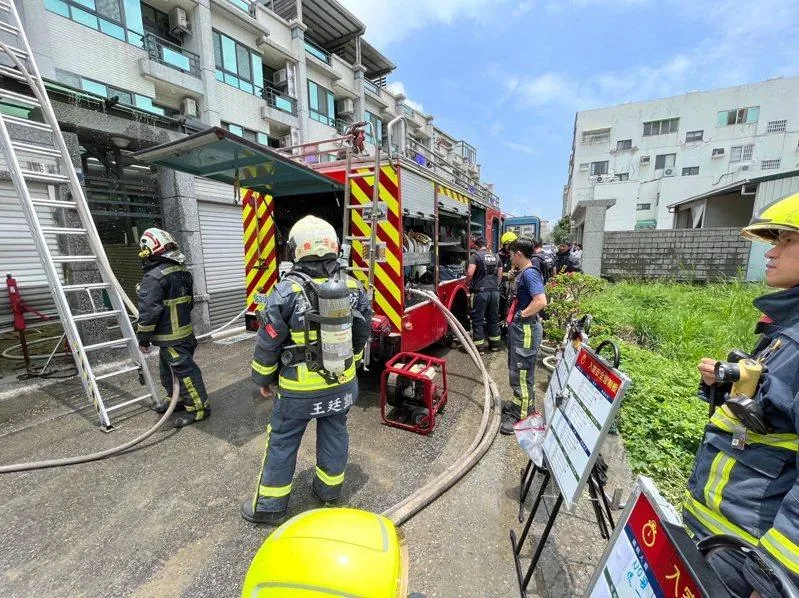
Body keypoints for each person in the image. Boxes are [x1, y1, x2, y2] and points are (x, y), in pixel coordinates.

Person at [684, 191, 799, 597]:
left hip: (745, 558)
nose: (771, 252)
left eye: (788, 241)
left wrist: (774, 580)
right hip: (720, 534)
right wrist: (725, 383)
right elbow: (770, 413)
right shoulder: (784, 329)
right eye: (774, 241)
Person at [241, 215, 372, 526]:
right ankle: (329, 491)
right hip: (342, 383)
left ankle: (270, 507)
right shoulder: (353, 286)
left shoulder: (286, 291)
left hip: (298, 392)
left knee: (282, 441)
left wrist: (263, 378)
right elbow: (362, 332)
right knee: (335, 433)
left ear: (296, 249)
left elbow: (269, 341)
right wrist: (352, 363)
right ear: (334, 247)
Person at [137, 228, 209, 428]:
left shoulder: (154, 277)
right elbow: (189, 304)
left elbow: (149, 312)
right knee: (168, 372)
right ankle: (177, 399)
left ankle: (199, 409)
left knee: (186, 374)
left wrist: (143, 339)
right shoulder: (182, 272)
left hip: (171, 339)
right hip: (184, 335)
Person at [501, 237, 547, 435]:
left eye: (511, 254)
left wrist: (521, 315)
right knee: (517, 372)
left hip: (525, 331)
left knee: (522, 375)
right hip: (520, 331)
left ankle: (522, 417)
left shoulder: (530, 274)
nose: (510, 258)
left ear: (518, 254)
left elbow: (541, 301)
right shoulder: (522, 273)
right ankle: (518, 405)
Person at [466, 236, 503, 353]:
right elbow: (500, 274)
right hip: (494, 292)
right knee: (493, 318)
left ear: (476, 246)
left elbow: (470, 272)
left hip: (480, 293)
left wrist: (467, 282)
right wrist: (496, 285)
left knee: (478, 319)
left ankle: (479, 348)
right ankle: (495, 345)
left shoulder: (475, 256)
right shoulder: (496, 256)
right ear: (487, 245)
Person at [498, 231, 518, 324]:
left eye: (511, 244)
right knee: (501, 304)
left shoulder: (517, 255)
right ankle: (501, 320)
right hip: (501, 284)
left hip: (513, 284)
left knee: (510, 303)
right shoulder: (499, 255)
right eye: (507, 244)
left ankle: (509, 321)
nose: (509, 247)